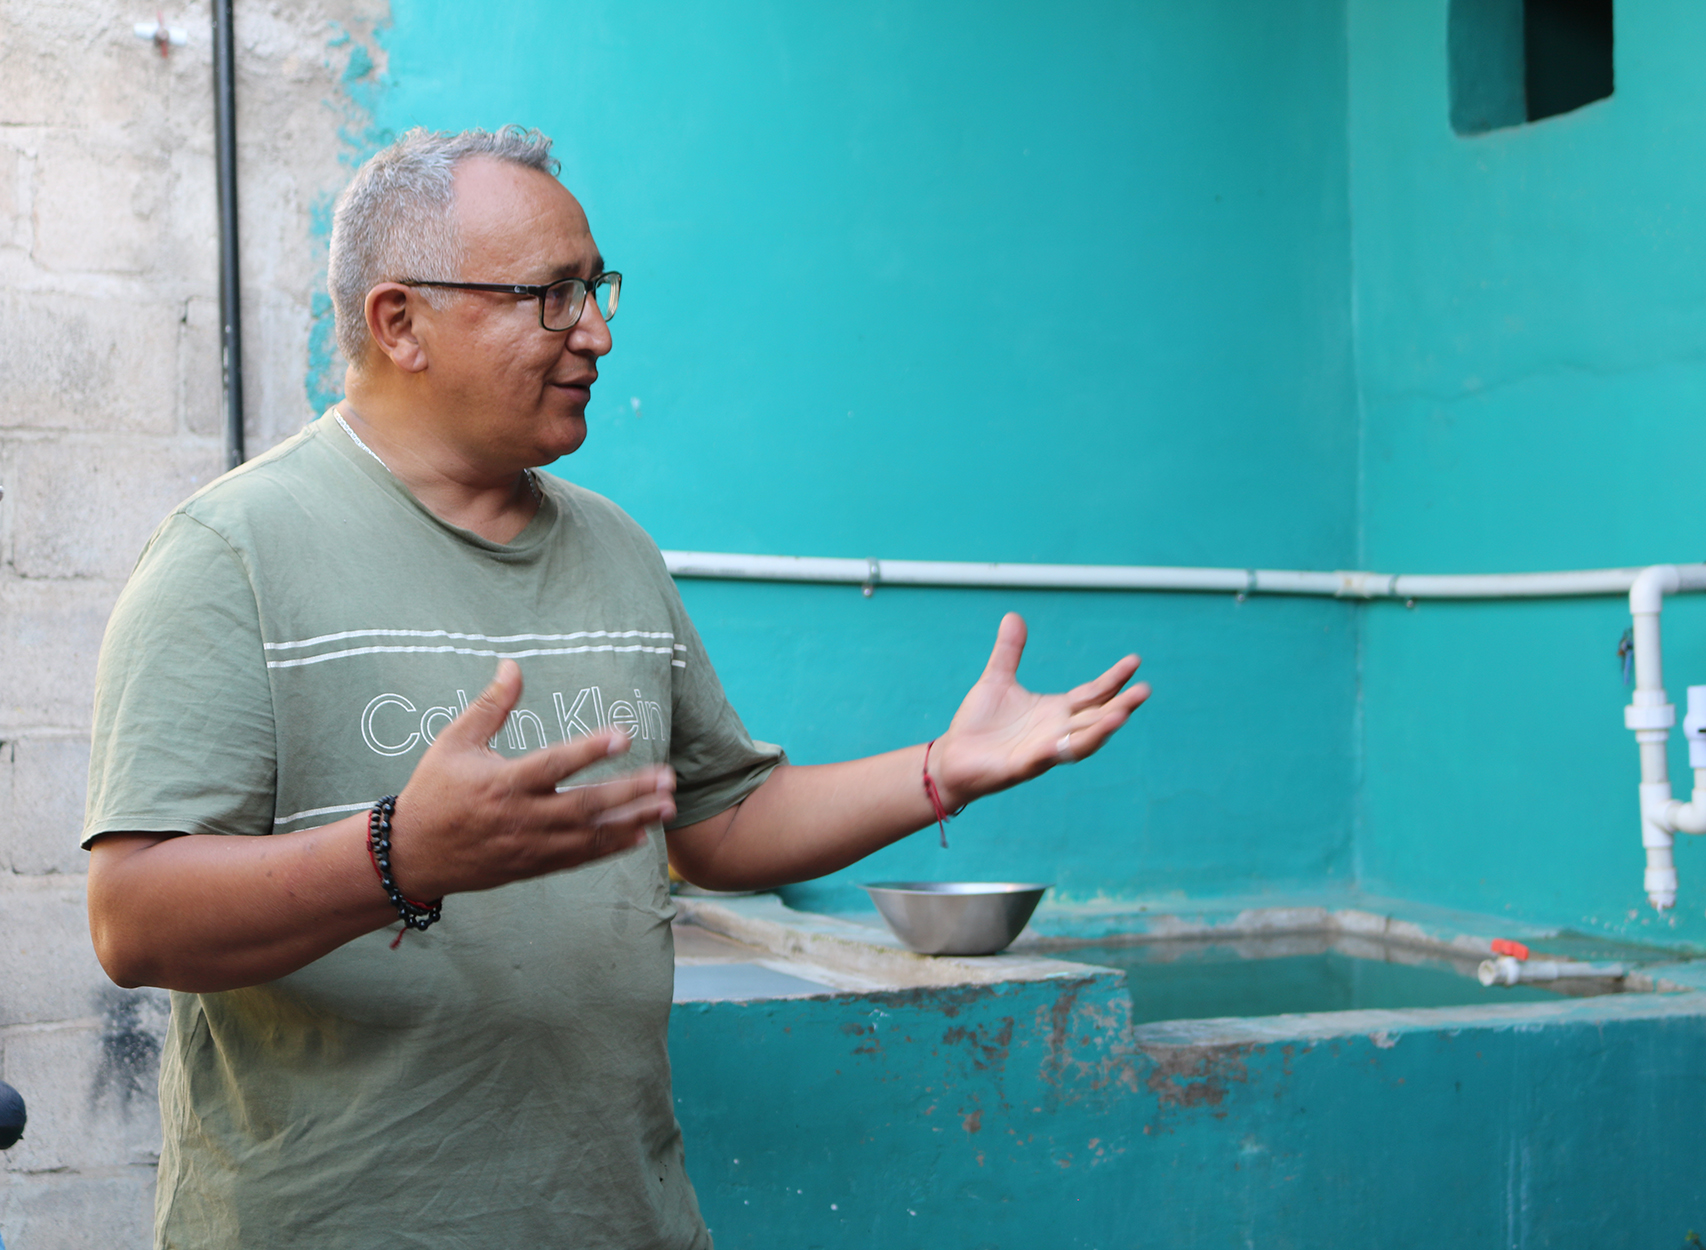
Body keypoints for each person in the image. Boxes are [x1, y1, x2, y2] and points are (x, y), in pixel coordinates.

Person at [83, 126, 1149, 1249]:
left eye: (596, 290)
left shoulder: (617, 552)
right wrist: (402, 855)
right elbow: (133, 918)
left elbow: (720, 821)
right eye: (550, 295)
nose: (594, 331)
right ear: (400, 323)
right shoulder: (232, 553)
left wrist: (943, 770)